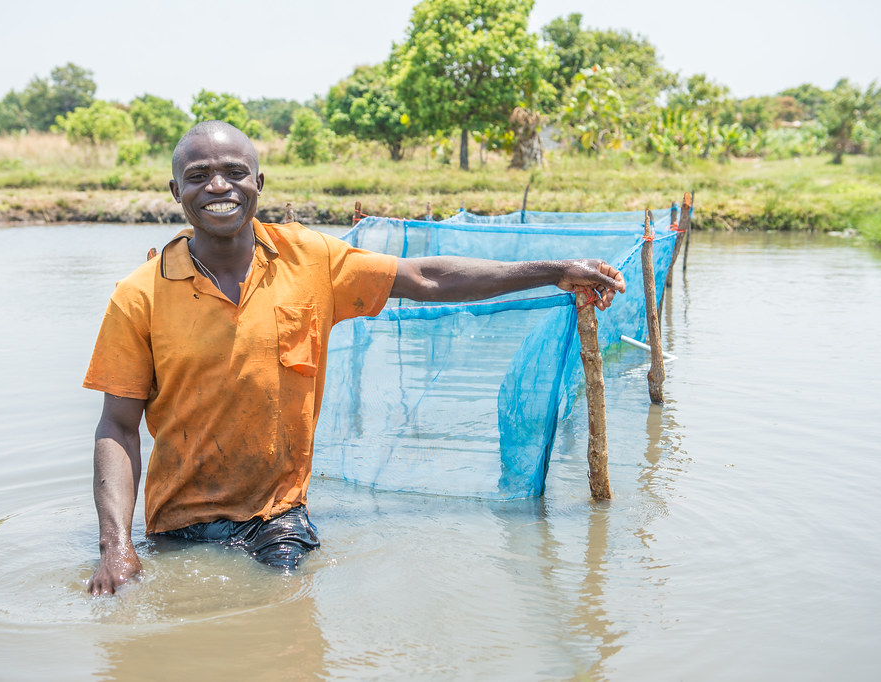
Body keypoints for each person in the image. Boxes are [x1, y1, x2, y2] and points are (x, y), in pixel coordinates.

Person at [83, 120, 625, 595]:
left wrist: (552, 270)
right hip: (177, 525)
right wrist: (115, 547)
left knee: (280, 618)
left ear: (259, 183)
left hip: (277, 520)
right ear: (176, 190)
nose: (218, 186)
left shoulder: (311, 260)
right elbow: (118, 427)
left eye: (234, 172)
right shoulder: (140, 295)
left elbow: (425, 277)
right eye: (199, 175)